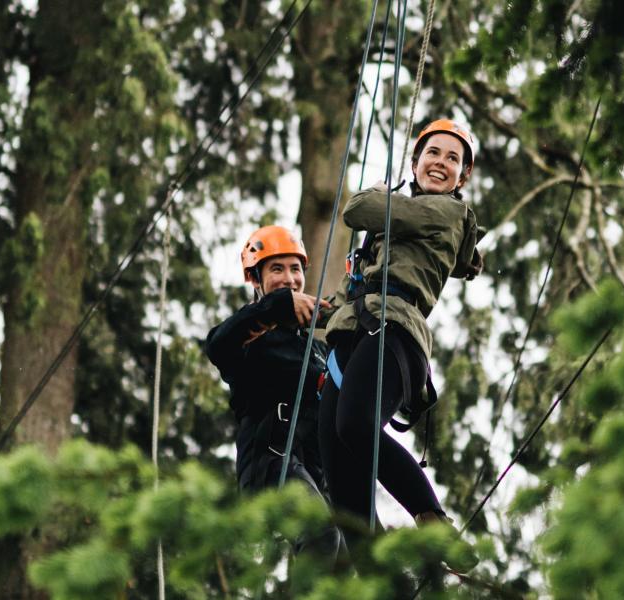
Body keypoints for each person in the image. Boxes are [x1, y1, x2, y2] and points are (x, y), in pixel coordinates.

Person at [318, 119, 484, 556]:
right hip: (356, 334)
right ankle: (376, 581)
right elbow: (355, 289)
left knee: (355, 423)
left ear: (462, 177)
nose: (441, 163)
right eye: (433, 153)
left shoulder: (448, 212)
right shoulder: (396, 222)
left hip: (396, 332)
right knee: (344, 490)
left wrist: (378, 193)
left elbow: (357, 210)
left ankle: (431, 518)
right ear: (416, 161)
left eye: (453, 159)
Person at [205, 225, 343, 561]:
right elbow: (217, 344)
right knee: (321, 533)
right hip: (270, 463)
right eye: (276, 269)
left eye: (295, 269)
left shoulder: (319, 350)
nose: (289, 278)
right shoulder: (251, 338)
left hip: (312, 472)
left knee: (341, 556)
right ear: (255, 278)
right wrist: (278, 306)